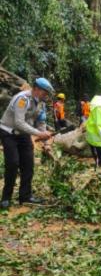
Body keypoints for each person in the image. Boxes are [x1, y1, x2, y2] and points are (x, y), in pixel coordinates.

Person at [0, 77, 54, 209]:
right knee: (13, 164)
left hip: (23, 134)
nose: (45, 95)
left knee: (28, 164)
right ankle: (6, 198)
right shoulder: (22, 99)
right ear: (35, 89)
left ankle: (25, 196)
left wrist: (46, 141)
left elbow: (41, 123)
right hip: (9, 133)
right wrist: (38, 134)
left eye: (47, 93)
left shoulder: (41, 104)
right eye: (44, 92)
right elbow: (19, 122)